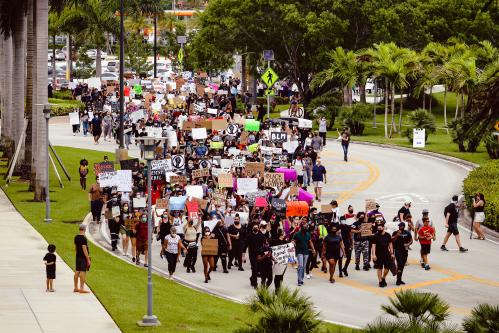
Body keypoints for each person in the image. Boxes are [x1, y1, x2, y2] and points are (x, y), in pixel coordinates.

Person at [292, 222, 316, 286]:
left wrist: (313, 249)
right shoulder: (297, 234)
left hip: (306, 252)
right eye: (304, 227)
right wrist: (293, 243)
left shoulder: (308, 234)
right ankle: (299, 281)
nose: (306, 228)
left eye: (306, 226)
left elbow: (310, 242)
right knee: (301, 266)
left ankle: (301, 279)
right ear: (301, 227)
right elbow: (293, 241)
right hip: (299, 251)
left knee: (303, 267)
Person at [371, 221, 393, 288]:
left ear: (383, 228)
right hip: (378, 254)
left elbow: (390, 244)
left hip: (386, 254)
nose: (379, 229)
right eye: (378, 228)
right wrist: (374, 254)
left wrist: (392, 253)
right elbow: (373, 246)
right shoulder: (375, 236)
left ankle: (383, 278)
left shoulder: (388, 235)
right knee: (379, 268)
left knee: (387, 267)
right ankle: (380, 281)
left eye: (380, 228)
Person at [245, 223, 266, 288]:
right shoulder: (249, 236)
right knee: (254, 268)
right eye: (254, 227)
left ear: (258, 228)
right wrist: (243, 256)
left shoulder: (261, 235)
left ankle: (252, 278)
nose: (256, 228)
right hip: (252, 254)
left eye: (257, 227)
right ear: (252, 228)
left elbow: (265, 244)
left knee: (258, 269)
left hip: (259, 254)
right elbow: (245, 246)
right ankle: (255, 284)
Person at [74, 224, 91, 293]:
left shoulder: (76, 237)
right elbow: (84, 249)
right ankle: (81, 288)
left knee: (77, 271)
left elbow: (75, 247)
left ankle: (75, 287)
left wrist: (77, 253)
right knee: (82, 272)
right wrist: (88, 259)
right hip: (83, 257)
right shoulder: (83, 238)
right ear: (84, 229)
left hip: (77, 256)